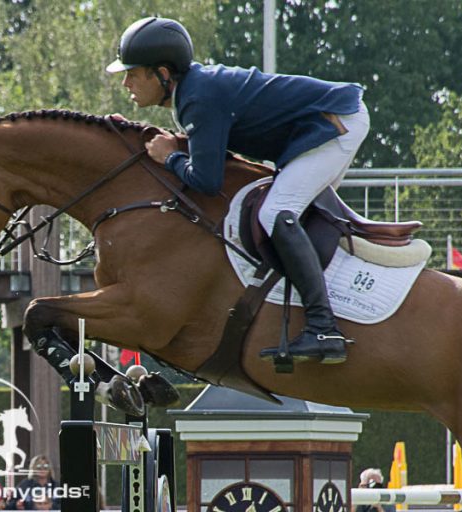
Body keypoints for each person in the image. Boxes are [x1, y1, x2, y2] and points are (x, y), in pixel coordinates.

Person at [106, 17, 370, 365]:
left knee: (276, 213)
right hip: (326, 124)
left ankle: (324, 328)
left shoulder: (198, 97)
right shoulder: (194, 92)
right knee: (283, 214)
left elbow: (207, 180)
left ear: (163, 74)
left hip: (335, 123)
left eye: (133, 73)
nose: (126, 82)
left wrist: (170, 157)